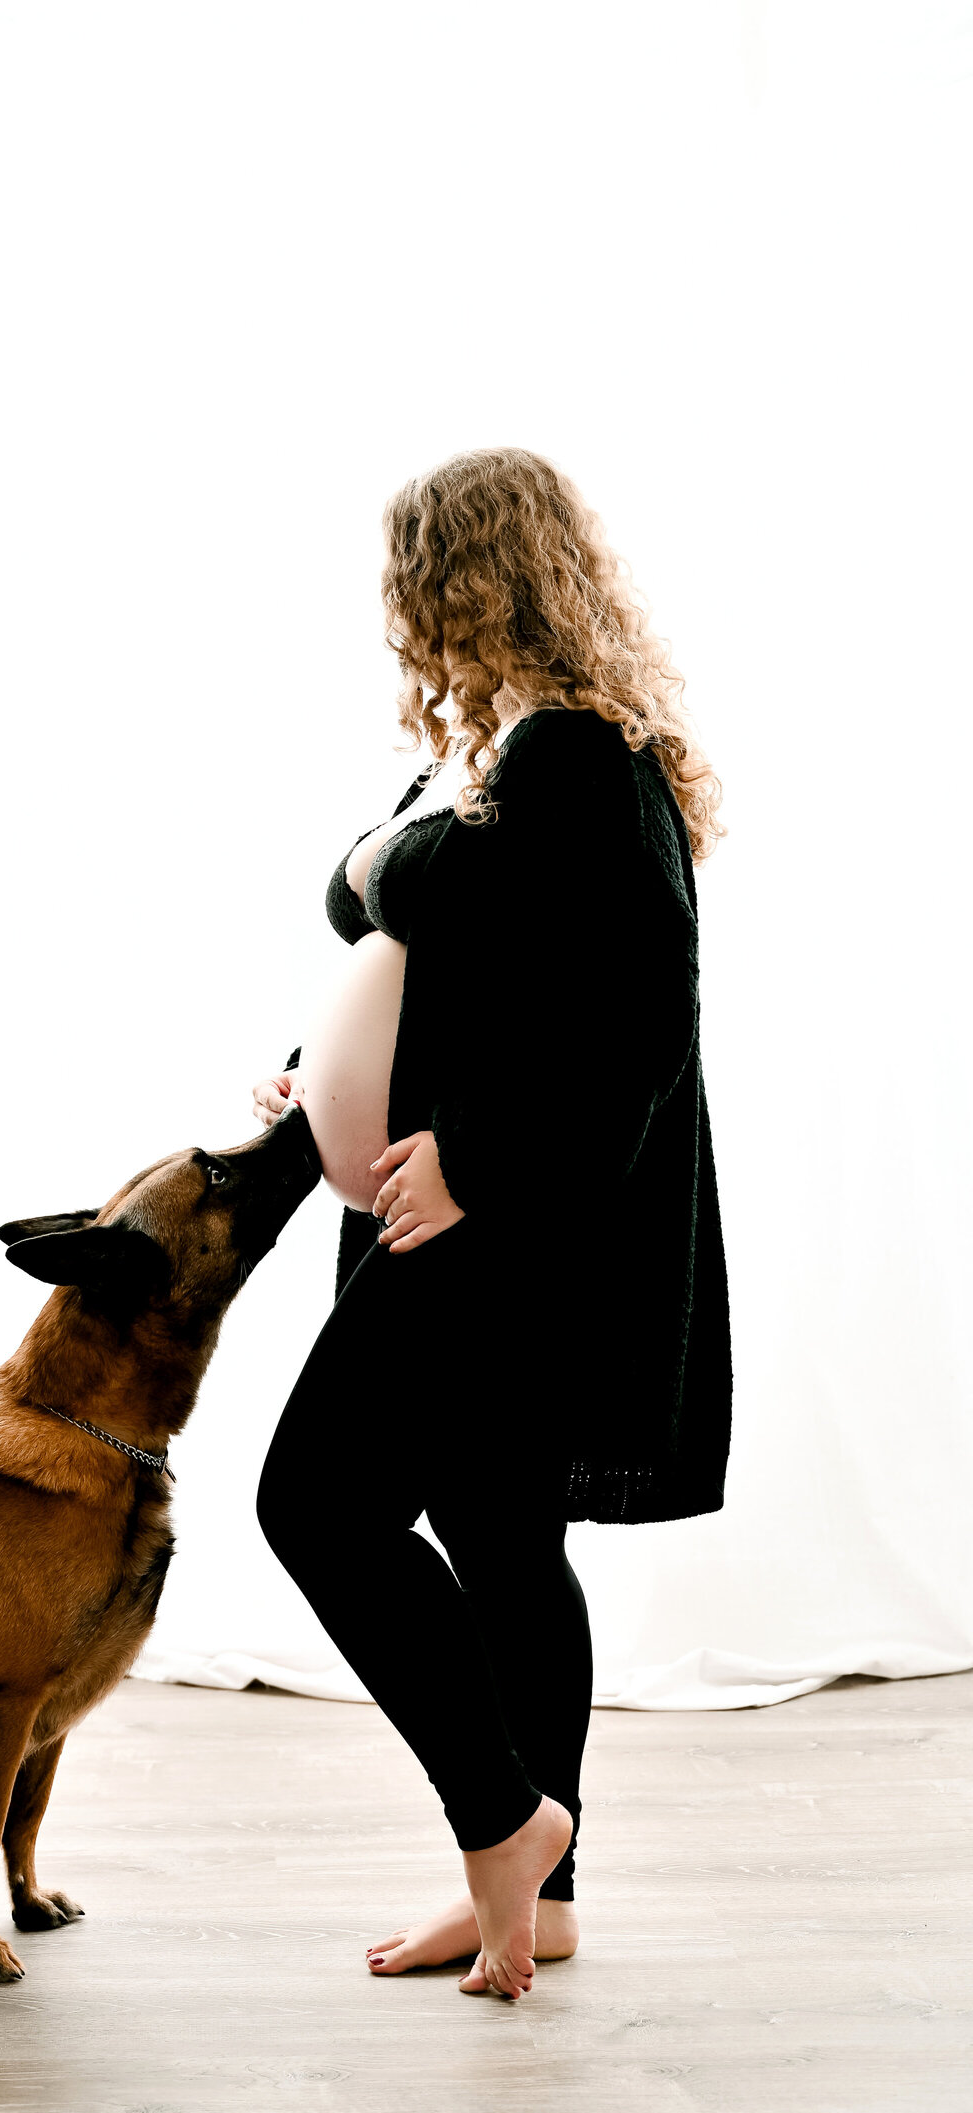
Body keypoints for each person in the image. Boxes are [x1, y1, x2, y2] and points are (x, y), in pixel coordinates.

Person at [253, 447, 731, 2001]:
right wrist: (332, 1062)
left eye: (417, 585)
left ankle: (505, 1819)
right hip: (472, 1236)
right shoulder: (505, 755)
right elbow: (391, 924)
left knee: (315, 1502)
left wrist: (476, 1158)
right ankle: (551, 1887)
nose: (403, 619)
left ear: (465, 580)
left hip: (502, 1242)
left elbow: (643, 1021)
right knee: (504, 1541)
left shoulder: (582, 759)